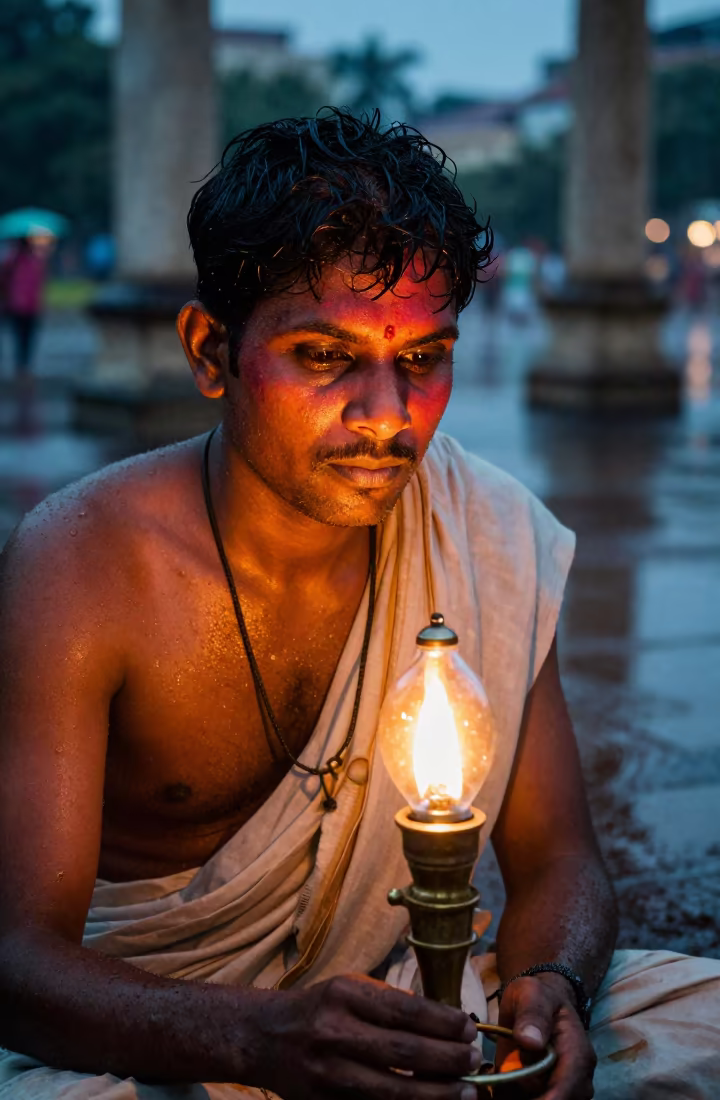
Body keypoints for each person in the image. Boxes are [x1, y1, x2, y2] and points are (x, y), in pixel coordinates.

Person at [0, 111, 717, 1100]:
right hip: (139, 1042)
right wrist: (256, 1041)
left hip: (397, 1011)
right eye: (326, 356)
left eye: (422, 358)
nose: (388, 417)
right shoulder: (82, 563)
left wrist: (552, 986)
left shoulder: (488, 531)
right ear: (210, 351)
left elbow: (560, 860)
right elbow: (16, 963)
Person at [0, 232, 54, 381]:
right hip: (23, 304)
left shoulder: (21, 261)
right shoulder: (17, 261)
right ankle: (23, 366)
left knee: (24, 336)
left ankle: (23, 365)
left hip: (24, 304)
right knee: (24, 336)